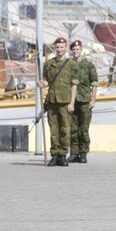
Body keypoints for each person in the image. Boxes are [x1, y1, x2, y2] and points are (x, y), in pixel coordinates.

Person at [39, 37, 78, 167]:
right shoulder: (49, 63)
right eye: (57, 47)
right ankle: (54, 155)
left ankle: (62, 155)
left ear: (65, 48)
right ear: (55, 48)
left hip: (65, 101)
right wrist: (42, 83)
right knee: (53, 129)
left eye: (62, 47)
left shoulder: (71, 64)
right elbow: (46, 81)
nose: (59, 49)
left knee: (65, 129)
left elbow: (74, 85)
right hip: (52, 100)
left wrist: (72, 103)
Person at [67, 40, 98, 164]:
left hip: (85, 100)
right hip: (71, 100)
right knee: (72, 128)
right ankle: (74, 152)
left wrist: (93, 99)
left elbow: (94, 83)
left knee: (84, 128)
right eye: (73, 50)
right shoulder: (69, 64)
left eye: (77, 49)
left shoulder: (88, 65)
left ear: (81, 50)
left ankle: (83, 153)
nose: (75, 52)